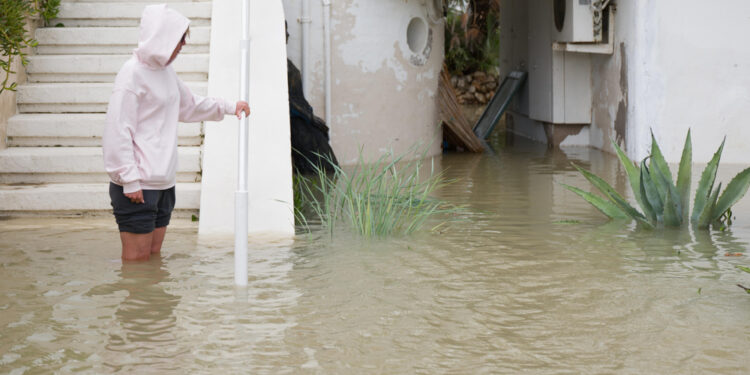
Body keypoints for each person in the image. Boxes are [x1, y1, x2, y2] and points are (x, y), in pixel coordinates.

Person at [103, 4, 250, 261]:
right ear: (163, 38)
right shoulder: (131, 75)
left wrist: (229, 107)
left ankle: (156, 303)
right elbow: (118, 130)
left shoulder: (166, 72)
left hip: (164, 184)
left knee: (152, 258)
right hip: (138, 186)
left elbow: (189, 106)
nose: (183, 45)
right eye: (180, 39)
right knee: (137, 264)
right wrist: (129, 179)